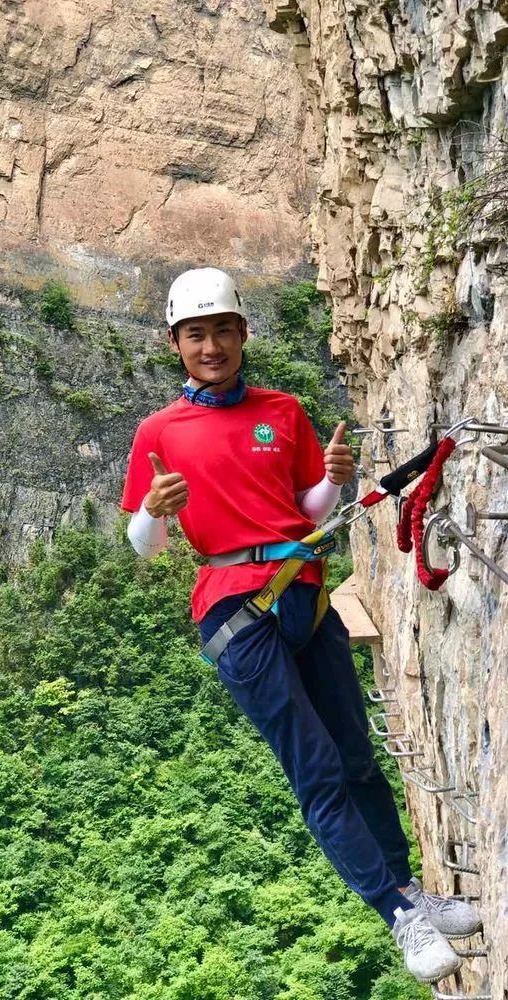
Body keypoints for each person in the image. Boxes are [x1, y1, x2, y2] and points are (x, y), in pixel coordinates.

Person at [120, 267, 481, 984]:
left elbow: (307, 509)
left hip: (304, 590)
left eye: (223, 329)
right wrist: (154, 510)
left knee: (354, 750)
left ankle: (411, 891)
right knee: (313, 764)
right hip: (232, 605)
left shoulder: (281, 411)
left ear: (243, 333)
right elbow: (145, 547)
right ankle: (398, 914)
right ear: (176, 345)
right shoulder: (159, 432)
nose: (212, 345)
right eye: (197, 334)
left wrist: (338, 477)